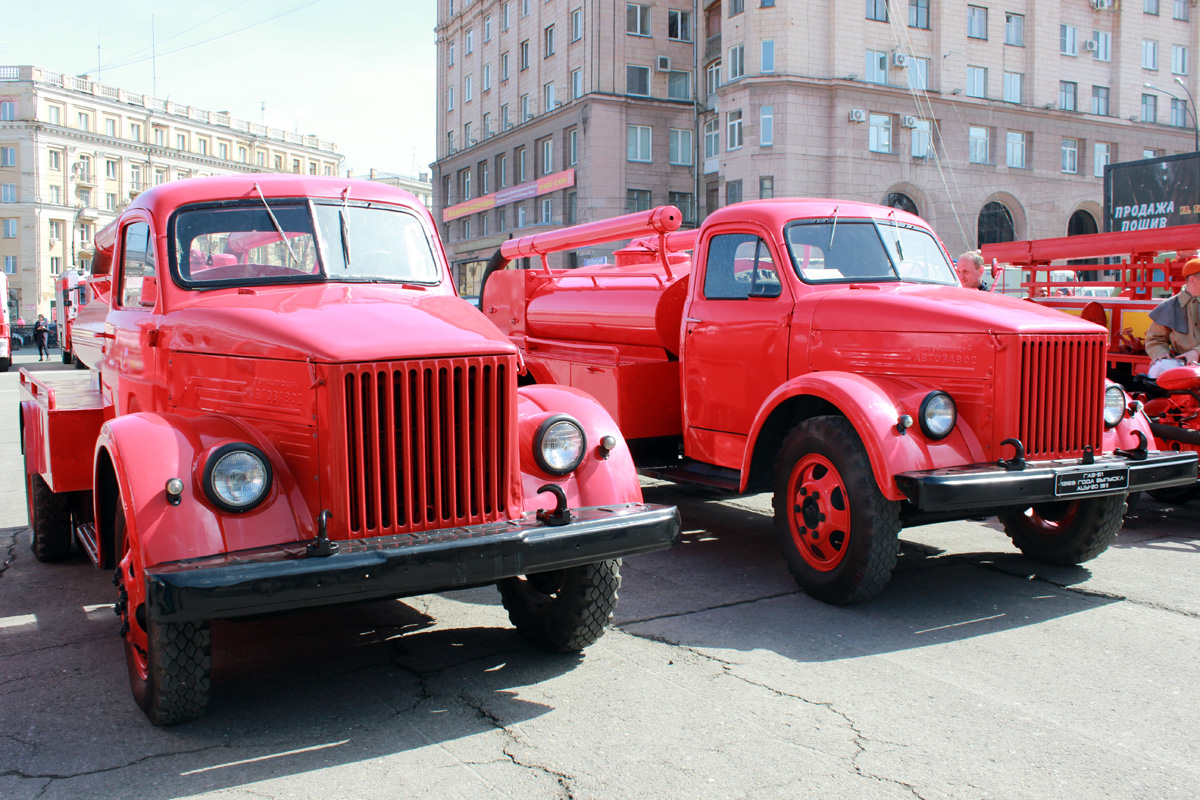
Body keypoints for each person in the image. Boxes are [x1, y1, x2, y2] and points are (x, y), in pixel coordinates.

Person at [1145, 257, 1200, 378]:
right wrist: (1161, 352)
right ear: (1192, 280)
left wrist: (1197, 352)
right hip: (1183, 371)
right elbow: (1155, 338)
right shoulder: (1168, 306)